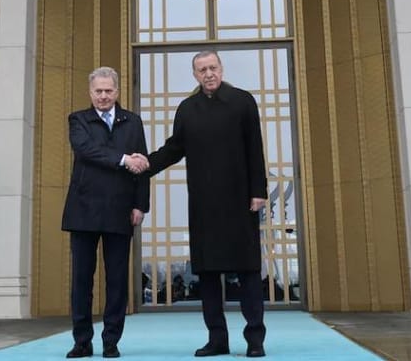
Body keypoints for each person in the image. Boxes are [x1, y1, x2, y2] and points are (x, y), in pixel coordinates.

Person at [145, 50, 269, 358]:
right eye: (202, 70)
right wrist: (145, 164)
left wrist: (259, 191)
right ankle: (217, 339)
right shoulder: (188, 109)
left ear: (221, 69)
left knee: (248, 271)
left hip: (241, 201)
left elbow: (255, 147)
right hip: (204, 203)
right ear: (195, 75)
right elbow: (175, 148)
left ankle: (255, 339)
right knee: (208, 274)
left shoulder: (242, 101)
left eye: (212, 67)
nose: (208, 74)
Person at [61, 66, 150, 358]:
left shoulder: (133, 122)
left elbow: (142, 164)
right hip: (83, 210)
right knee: (81, 281)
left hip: (120, 210)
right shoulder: (78, 119)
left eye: (108, 91)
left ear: (117, 91)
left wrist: (140, 204)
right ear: (90, 92)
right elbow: (86, 150)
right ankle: (82, 341)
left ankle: (111, 341)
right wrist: (124, 159)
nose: (103, 96)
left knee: (117, 281)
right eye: (98, 91)